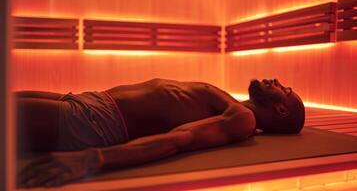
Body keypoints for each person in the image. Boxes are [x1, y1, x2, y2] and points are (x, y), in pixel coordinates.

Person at [17, 78, 305, 187]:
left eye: (285, 90)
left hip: (94, 122)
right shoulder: (231, 103)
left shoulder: (241, 118)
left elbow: (178, 140)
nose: (277, 81)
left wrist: (92, 159)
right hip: (87, 101)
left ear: (281, 110)